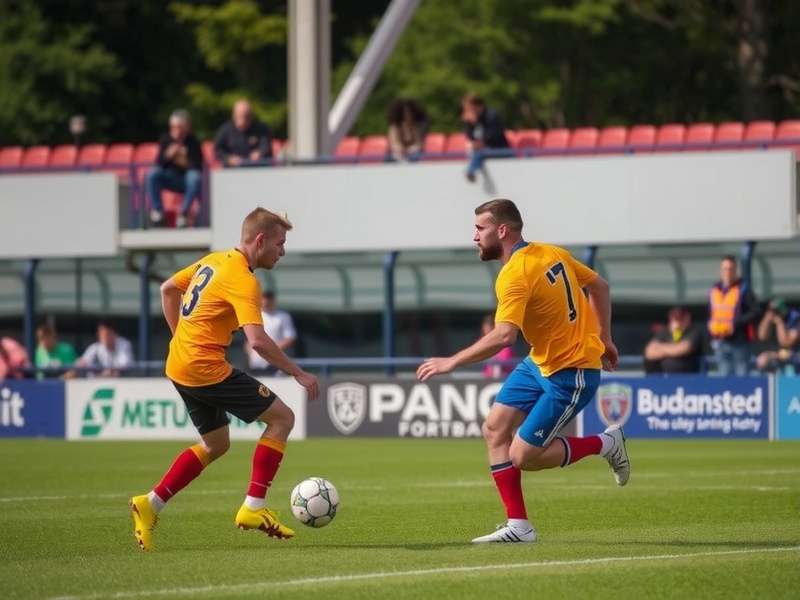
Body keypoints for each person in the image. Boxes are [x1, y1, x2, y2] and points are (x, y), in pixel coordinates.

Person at [417, 198, 626, 544]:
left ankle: (605, 443)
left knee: (522, 456)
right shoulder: (551, 252)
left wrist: (451, 361)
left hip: (570, 370)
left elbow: (503, 335)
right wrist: (606, 338)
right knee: (494, 428)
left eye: (480, 229)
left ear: (502, 230)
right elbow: (600, 286)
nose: (474, 237)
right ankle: (519, 525)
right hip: (540, 362)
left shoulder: (514, 273)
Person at [129, 207, 319, 551]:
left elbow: (168, 289)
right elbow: (258, 341)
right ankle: (254, 507)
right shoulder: (244, 279)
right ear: (259, 241)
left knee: (216, 444)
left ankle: (150, 504)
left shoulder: (214, 261)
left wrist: (179, 339)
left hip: (179, 365)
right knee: (283, 418)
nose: (283, 251)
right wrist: (299, 373)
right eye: (280, 243)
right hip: (204, 367)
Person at [146, 109, 204, 228]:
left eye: (178, 127)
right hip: (170, 178)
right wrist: (169, 155)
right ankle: (158, 212)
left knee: (194, 177)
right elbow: (159, 164)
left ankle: (183, 213)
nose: (175, 130)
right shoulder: (166, 140)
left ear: (186, 127)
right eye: (173, 127)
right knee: (152, 174)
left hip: (187, 181)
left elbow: (198, 166)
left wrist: (184, 160)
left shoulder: (193, 142)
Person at [707, 255, 759, 375]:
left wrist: (735, 323)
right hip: (720, 340)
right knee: (723, 376)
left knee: (742, 376)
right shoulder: (715, 290)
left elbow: (755, 312)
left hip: (740, 342)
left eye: (731, 269)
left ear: (735, 271)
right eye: (725, 269)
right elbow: (712, 312)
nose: (728, 272)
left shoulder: (743, 289)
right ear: (720, 271)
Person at [461, 93, 513, 183]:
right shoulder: (475, 119)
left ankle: (471, 171)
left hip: (499, 149)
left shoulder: (492, 116)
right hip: (484, 149)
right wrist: (470, 124)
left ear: (477, 106)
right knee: (474, 152)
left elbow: (494, 135)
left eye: (469, 108)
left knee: (479, 153)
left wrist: (481, 143)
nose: (467, 111)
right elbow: (471, 137)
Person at [246, 290, 297, 374]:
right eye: (263, 298)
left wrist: (272, 350)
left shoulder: (283, 316)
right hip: (256, 363)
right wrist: (250, 353)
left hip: (275, 363)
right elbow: (249, 340)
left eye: (268, 298)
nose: (265, 301)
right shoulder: (254, 316)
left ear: (273, 300)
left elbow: (290, 337)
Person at [643, 306, 703, 374]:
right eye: (673, 317)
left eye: (680, 317)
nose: (676, 320)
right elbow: (649, 352)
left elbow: (684, 348)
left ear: (688, 317)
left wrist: (660, 349)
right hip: (659, 377)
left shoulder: (693, 331)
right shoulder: (664, 332)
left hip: (686, 377)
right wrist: (672, 350)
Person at [213, 99, 272, 167]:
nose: (243, 121)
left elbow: (266, 146)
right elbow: (218, 150)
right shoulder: (225, 129)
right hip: (232, 170)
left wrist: (260, 153)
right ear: (234, 115)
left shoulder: (261, 129)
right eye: (240, 116)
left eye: (246, 116)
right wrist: (229, 158)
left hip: (256, 167)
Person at [755, 298, 800, 373]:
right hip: (777, 353)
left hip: (794, 354)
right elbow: (762, 337)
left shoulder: (794, 317)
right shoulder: (769, 316)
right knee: (761, 360)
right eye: (772, 311)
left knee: (783, 356)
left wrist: (779, 323)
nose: (774, 313)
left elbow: (786, 343)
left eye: (776, 311)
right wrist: (767, 319)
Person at [481, 314, 514, 378]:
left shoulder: (505, 344)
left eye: (490, 329)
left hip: (503, 379)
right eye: (485, 328)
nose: (487, 332)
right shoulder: (481, 343)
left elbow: (504, 364)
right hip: (485, 379)